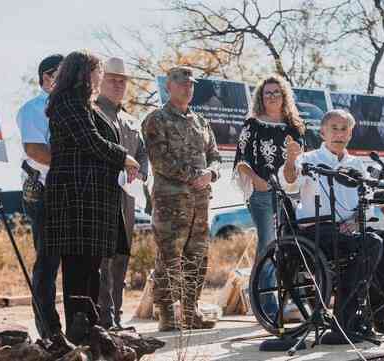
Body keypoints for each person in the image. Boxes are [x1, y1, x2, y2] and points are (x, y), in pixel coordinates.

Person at [43, 50, 140, 341]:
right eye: (98, 71)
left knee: (92, 266)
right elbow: (91, 142)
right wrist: (125, 157)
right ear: (83, 73)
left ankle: (91, 324)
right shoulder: (67, 103)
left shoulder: (84, 105)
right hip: (75, 198)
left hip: (93, 199)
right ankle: (77, 327)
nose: (100, 77)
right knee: (77, 266)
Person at [279, 109, 383, 342]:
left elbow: (367, 200)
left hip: (350, 229)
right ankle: (343, 322)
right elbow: (289, 185)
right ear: (323, 132)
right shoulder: (309, 159)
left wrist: (355, 221)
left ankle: (377, 319)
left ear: (351, 133)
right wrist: (290, 161)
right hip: (316, 230)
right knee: (372, 243)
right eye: (334, 129)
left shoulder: (356, 163)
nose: (339, 133)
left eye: (344, 129)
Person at [142, 66, 221, 331]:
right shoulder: (156, 119)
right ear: (168, 87)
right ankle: (167, 315)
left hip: (200, 202)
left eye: (191, 84)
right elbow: (160, 160)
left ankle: (190, 312)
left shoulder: (201, 122)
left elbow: (215, 155)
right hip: (171, 203)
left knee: (196, 257)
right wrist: (194, 176)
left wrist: (210, 173)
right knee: (169, 258)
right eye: (181, 83)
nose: (187, 88)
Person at [232, 74, 305, 317]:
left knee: (293, 246)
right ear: (261, 98)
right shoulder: (252, 125)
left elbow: (302, 162)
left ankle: (294, 300)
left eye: (276, 92)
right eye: (267, 93)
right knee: (268, 246)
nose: (272, 96)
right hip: (261, 193)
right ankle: (265, 305)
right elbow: (240, 161)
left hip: (290, 194)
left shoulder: (294, 127)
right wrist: (256, 180)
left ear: (284, 96)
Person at [96, 57, 149, 330]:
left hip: (127, 198)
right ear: (100, 81)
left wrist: (140, 174)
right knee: (102, 259)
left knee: (121, 257)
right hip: (101, 196)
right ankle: (102, 319)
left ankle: (116, 317)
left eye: (122, 80)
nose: (118, 84)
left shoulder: (131, 120)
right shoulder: (93, 113)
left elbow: (142, 154)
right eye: (112, 79)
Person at [16, 53, 63, 339]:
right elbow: (35, 150)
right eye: (62, 74)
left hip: (68, 192)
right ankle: (49, 331)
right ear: (47, 77)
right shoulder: (33, 108)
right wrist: (71, 164)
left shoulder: (73, 108)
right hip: (43, 192)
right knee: (47, 262)